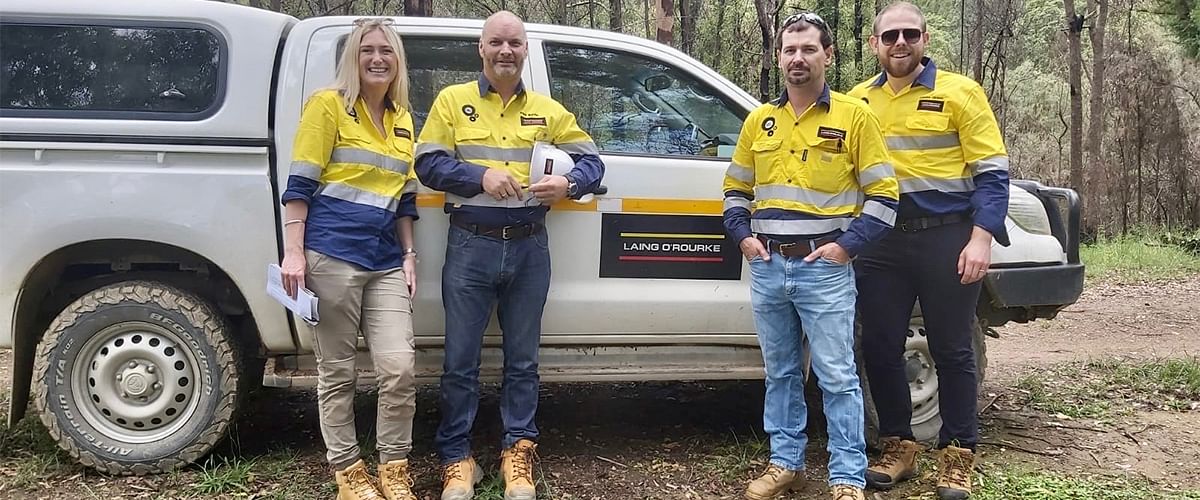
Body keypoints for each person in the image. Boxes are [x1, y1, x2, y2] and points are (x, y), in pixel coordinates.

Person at [412, 11, 605, 500]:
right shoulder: (452, 101)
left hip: (529, 246)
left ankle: (518, 451)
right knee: (460, 361)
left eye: (514, 43)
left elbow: (593, 160)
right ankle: (457, 459)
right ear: (481, 48)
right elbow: (427, 163)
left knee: (523, 361)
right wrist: (479, 177)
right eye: (496, 42)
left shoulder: (547, 108)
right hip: (469, 246)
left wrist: (568, 183)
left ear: (524, 50)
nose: (505, 51)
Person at [722, 11, 899, 500]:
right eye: (789, 50)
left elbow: (885, 195)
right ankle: (786, 463)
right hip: (768, 265)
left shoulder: (854, 117)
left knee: (837, 376)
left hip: (824, 269)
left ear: (829, 54)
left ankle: (846, 476)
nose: (797, 58)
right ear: (778, 57)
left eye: (807, 49)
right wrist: (742, 236)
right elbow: (736, 188)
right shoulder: (761, 120)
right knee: (779, 372)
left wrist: (846, 247)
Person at [847, 3, 1010, 499]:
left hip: (947, 236)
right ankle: (898, 447)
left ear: (925, 38)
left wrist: (981, 237)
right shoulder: (856, 102)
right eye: (890, 35)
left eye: (909, 34)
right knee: (879, 344)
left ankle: (958, 455)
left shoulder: (961, 92)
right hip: (880, 239)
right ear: (874, 44)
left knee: (952, 346)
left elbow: (992, 173)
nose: (900, 42)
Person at [279, 18, 421, 500]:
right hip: (331, 255)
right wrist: (294, 253)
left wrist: (408, 255)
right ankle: (349, 473)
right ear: (353, 59)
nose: (377, 58)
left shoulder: (403, 118)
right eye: (367, 50)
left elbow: (405, 199)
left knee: (398, 367)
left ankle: (394, 466)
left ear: (397, 61)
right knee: (337, 371)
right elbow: (299, 185)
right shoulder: (327, 106)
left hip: (384, 260)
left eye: (386, 51)